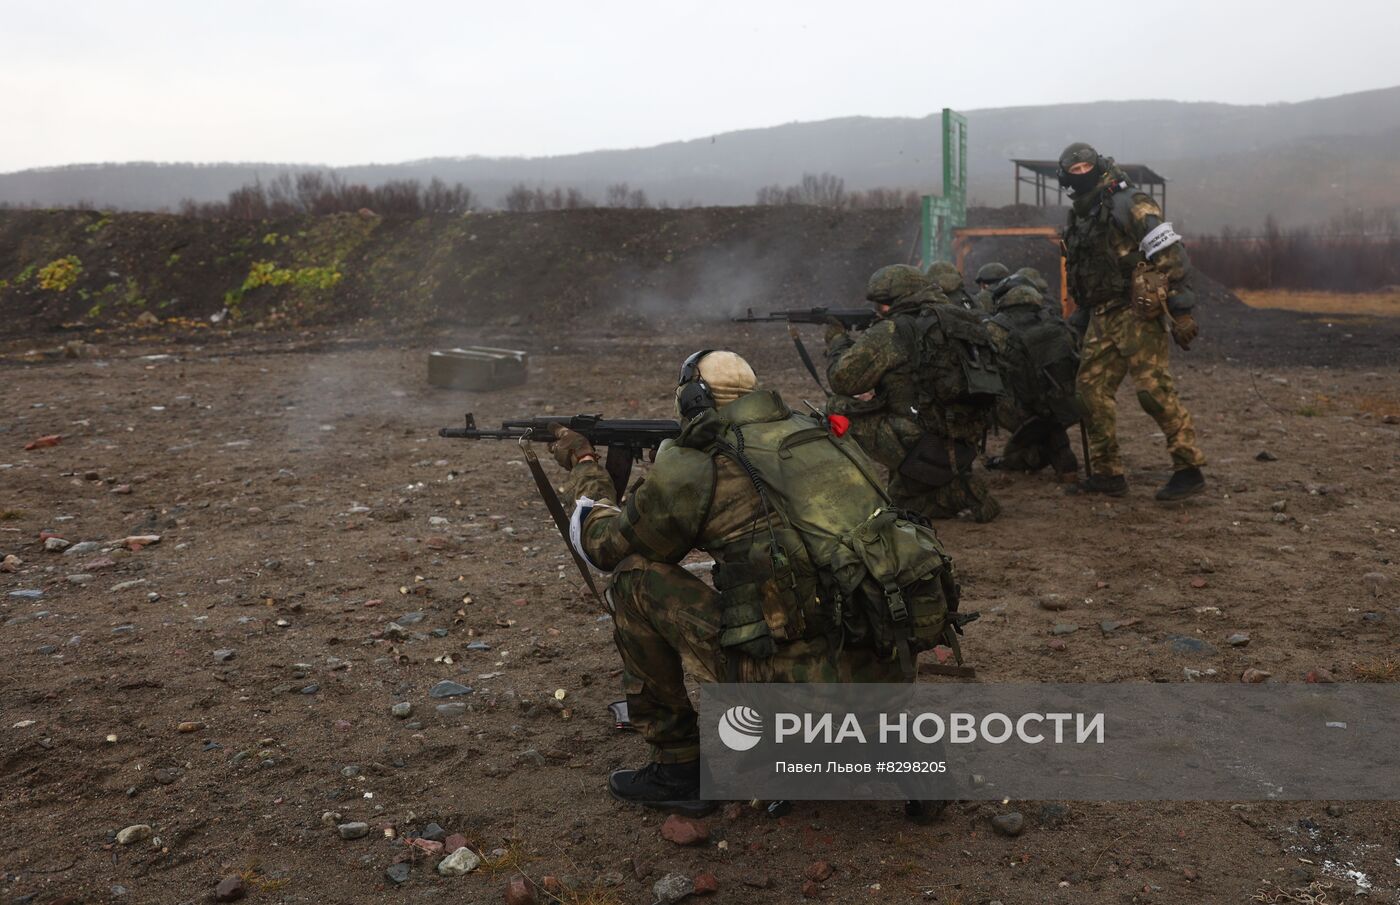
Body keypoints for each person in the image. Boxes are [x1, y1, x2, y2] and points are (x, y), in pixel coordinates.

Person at [548, 350, 957, 815]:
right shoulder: (820, 434)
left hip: (795, 688)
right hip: (885, 671)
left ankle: (679, 770)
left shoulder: (703, 462)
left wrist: (584, 464)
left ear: (695, 400)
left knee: (633, 581)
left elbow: (605, 546)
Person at [1058, 142, 1207, 501]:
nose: (1081, 176)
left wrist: (1182, 309)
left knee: (1153, 391)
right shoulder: (1079, 215)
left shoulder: (1130, 203)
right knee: (1089, 391)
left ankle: (1189, 469)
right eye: (1074, 171)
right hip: (1101, 314)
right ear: (1065, 176)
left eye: (1086, 169)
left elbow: (1172, 256)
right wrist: (1079, 321)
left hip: (1137, 310)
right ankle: (1108, 473)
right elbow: (1083, 272)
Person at [826, 265, 1002, 523]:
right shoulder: (961, 319)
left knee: (836, 408)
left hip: (924, 443)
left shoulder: (894, 330)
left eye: (884, 304)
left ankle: (953, 489)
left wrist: (837, 341)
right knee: (905, 500)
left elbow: (843, 380)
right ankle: (956, 486)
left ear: (901, 298)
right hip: (965, 438)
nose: (880, 310)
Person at [983, 280, 1081, 481]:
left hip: (1020, 407)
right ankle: (1062, 458)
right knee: (1044, 418)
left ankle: (1038, 457)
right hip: (1066, 404)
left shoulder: (996, 326)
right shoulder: (1055, 323)